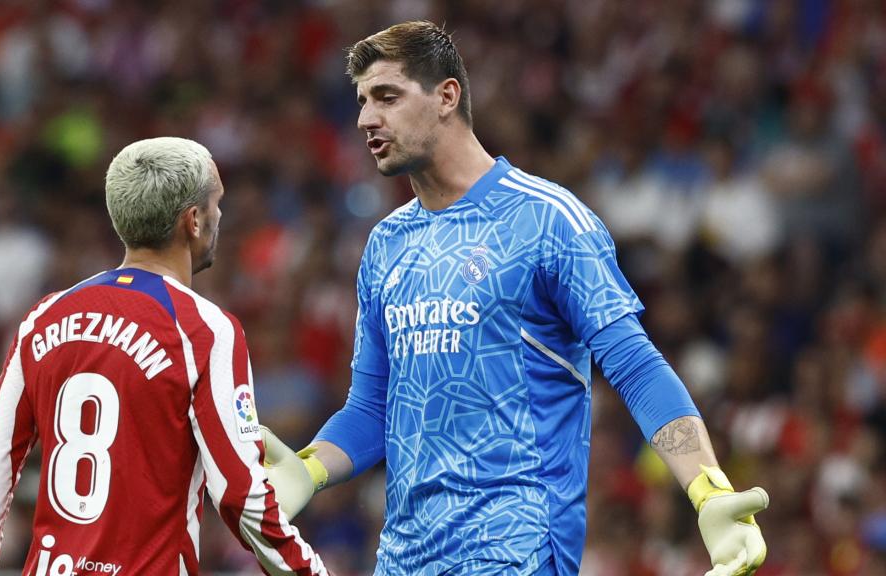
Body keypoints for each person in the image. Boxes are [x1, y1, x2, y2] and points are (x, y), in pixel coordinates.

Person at [261, 22, 768, 576]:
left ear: (446, 97)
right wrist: (307, 468)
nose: (365, 119)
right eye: (361, 102)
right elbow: (370, 409)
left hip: (516, 550)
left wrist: (708, 489)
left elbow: (636, 367)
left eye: (387, 96)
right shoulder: (386, 246)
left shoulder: (548, 220)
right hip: (403, 558)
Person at [0, 137, 327, 576]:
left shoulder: (43, 318)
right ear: (193, 220)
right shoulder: (204, 329)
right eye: (217, 203)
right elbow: (239, 496)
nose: (220, 215)